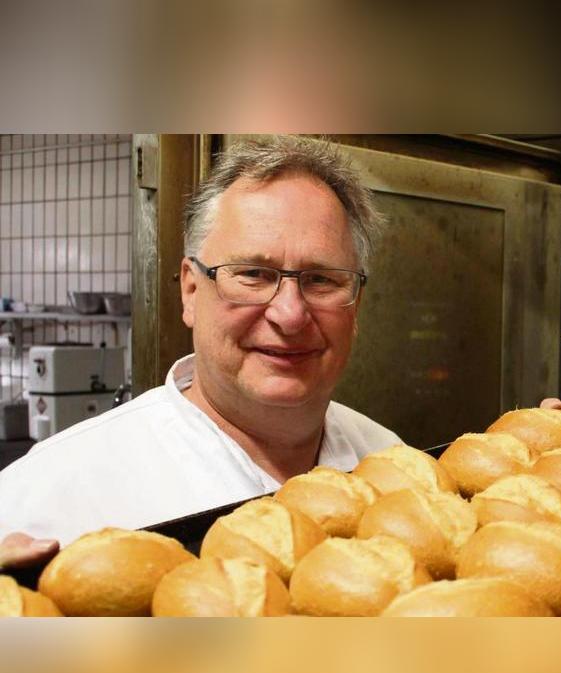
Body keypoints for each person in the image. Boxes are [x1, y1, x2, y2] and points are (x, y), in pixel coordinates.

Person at [0, 137, 403, 568]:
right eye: (252, 274)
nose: (290, 314)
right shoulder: (46, 499)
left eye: (322, 280)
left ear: (355, 305)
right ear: (191, 291)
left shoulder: (391, 467)